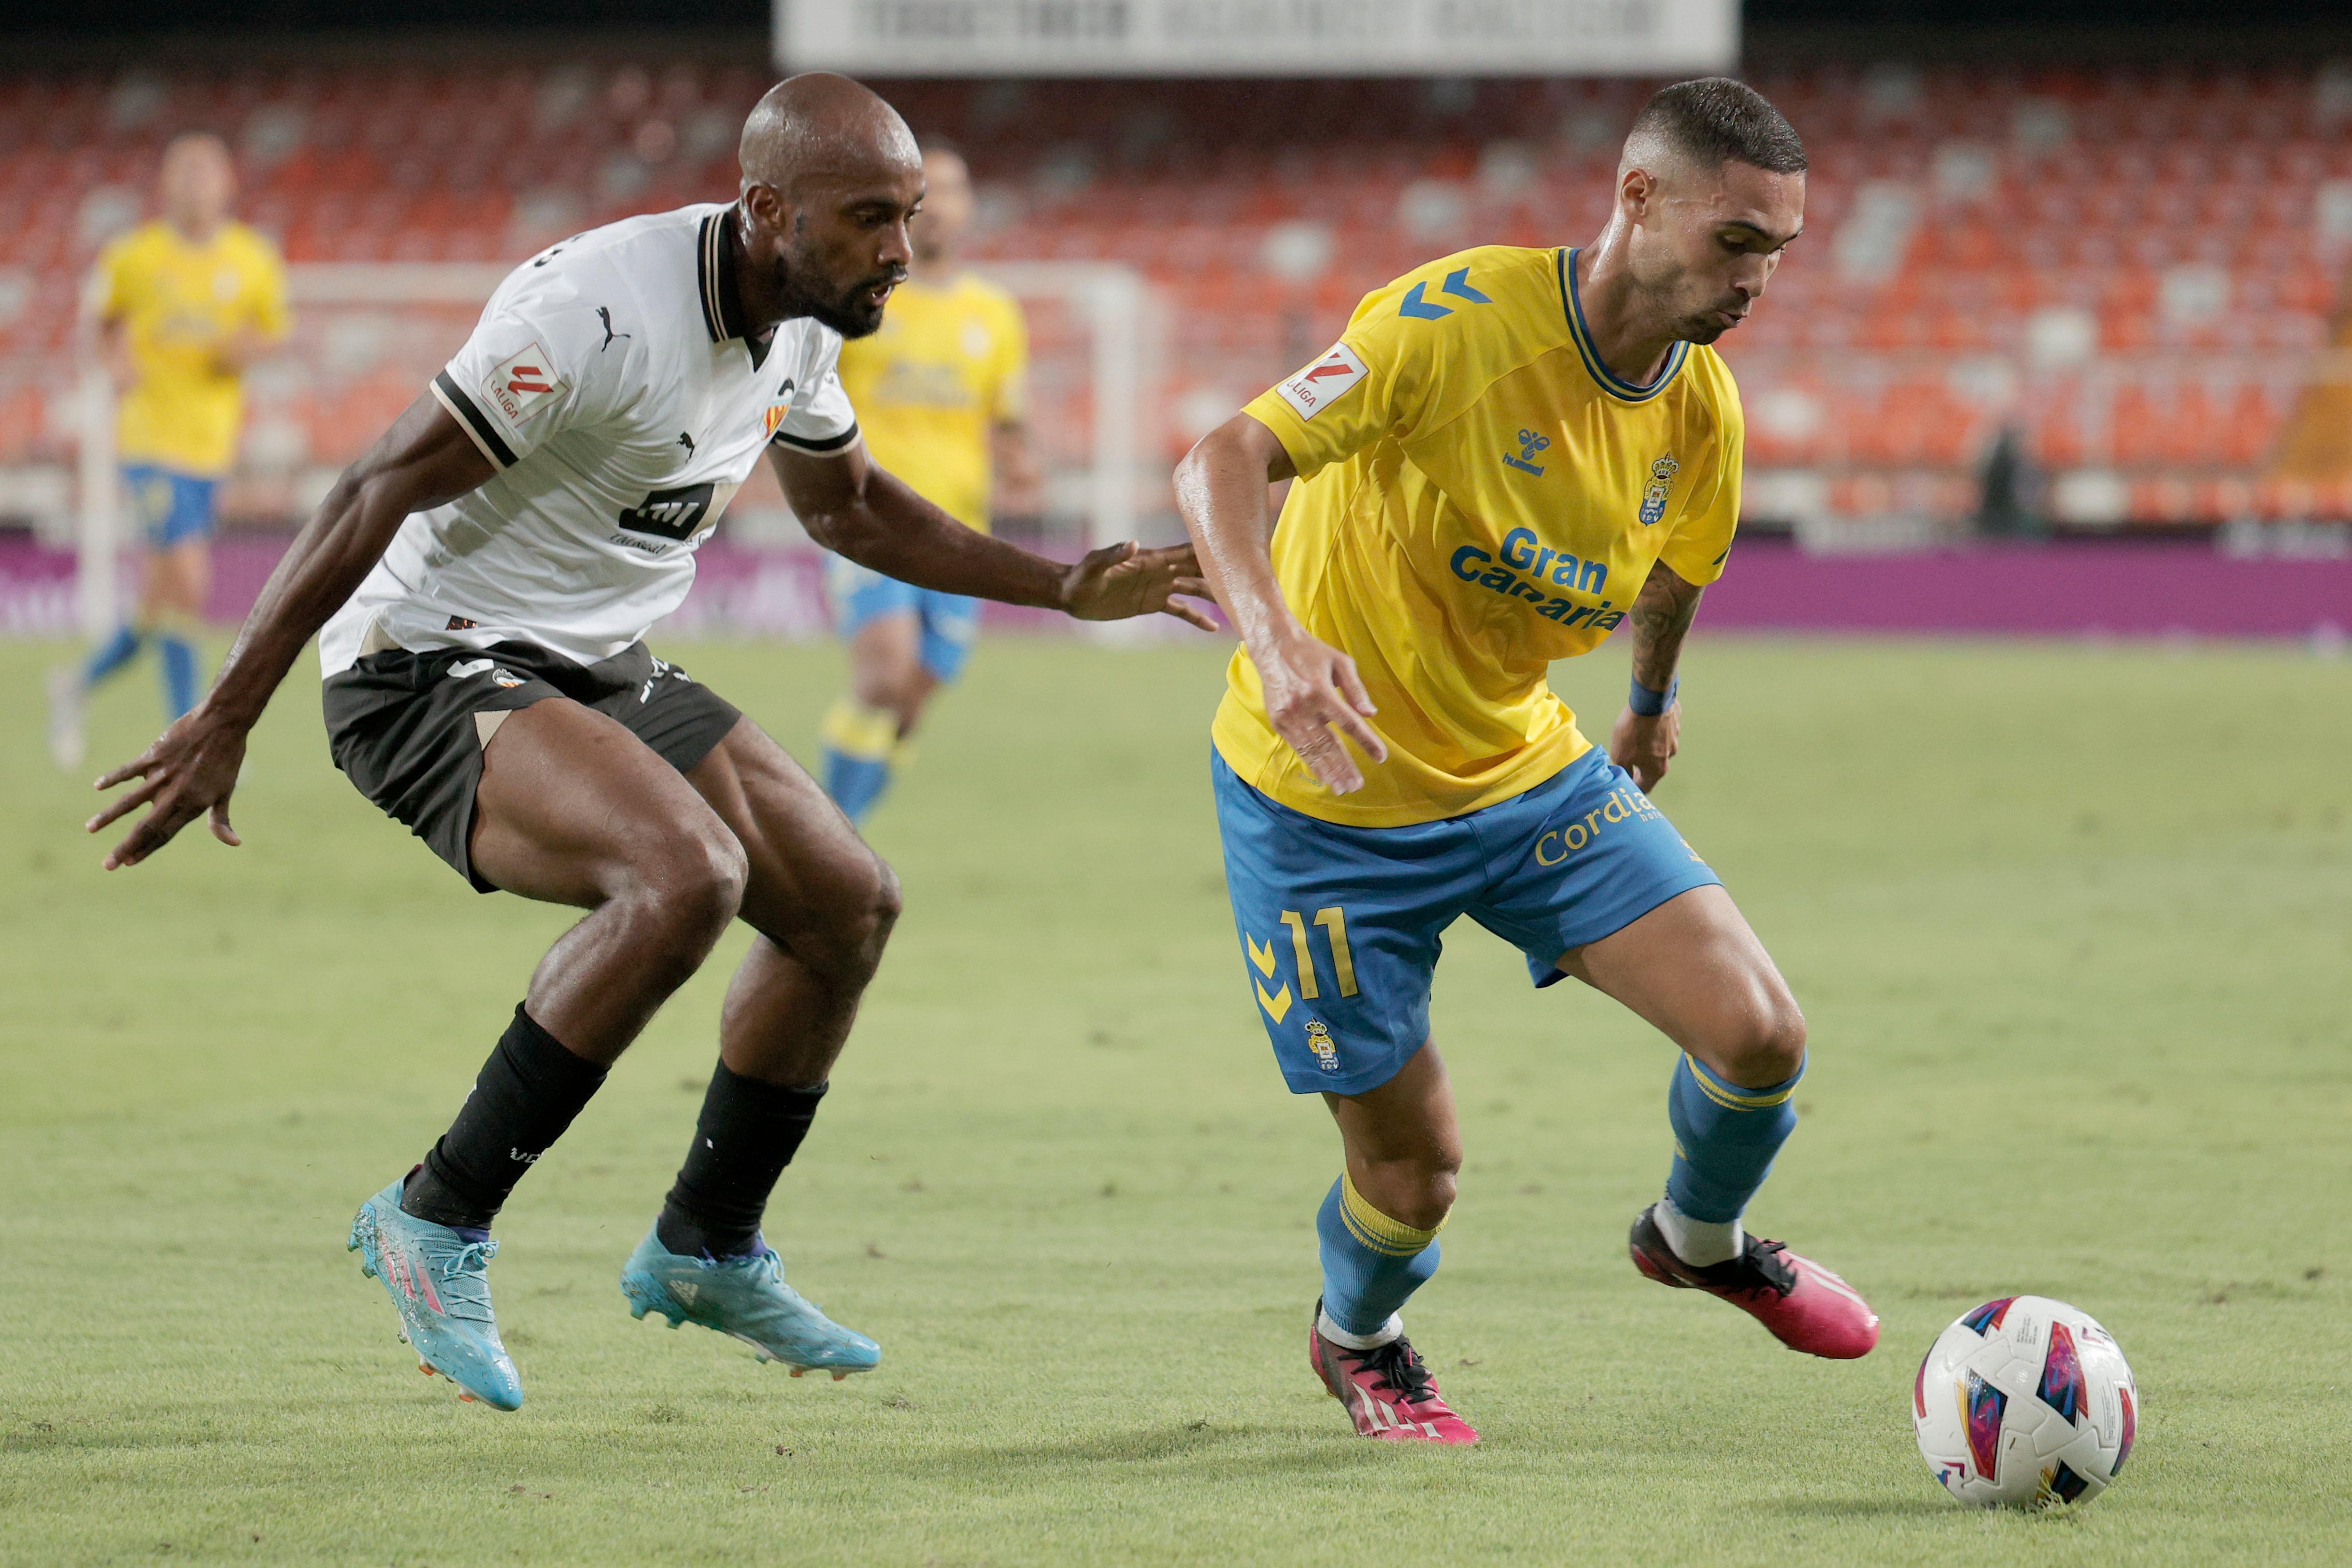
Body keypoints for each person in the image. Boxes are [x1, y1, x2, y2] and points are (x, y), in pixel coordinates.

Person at [85, 74, 1210, 1413]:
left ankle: (705, 1243)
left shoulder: (801, 316)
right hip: (426, 664)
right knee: (686, 875)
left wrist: (1060, 584)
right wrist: (228, 715)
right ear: (767, 210)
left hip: (601, 659)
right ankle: (432, 1216)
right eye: (871, 220)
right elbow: (376, 481)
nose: (902, 251)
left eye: (907, 217)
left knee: (848, 903)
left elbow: (847, 508)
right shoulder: (596, 311)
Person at [1173, 78, 1877, 1446]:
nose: (1760, 279)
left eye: (1780, 251)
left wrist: (1650, 705)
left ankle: (1697, 1234)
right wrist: (1270, 638)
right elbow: (1225, 456)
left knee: (1761, 1034)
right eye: (1737, 240)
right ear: (1636, 201)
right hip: (1323, 801)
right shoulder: (1455, 324)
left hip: (1524, 780)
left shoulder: (1701, 411)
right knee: (1411, 1175)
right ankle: (1356, 1334)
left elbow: (1675, 571)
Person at [49, 133, 291, 769]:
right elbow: (103, 326)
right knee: (190, 577)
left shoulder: (253, 257)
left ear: (229, 182)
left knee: (162, 603)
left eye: (206, 171)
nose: (195, 183)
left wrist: (246, 351)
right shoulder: (134, 255)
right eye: (183, 171)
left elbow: (271, 332)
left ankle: (74, 684)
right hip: (149, 441)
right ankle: (186, 732)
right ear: (165, 184)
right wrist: (117, 364)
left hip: (211, 446)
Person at [819, 139, 1041, 824]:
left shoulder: (995, 315)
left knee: (915, 692)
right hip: (870, 517)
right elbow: (807, 397)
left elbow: (1006, 421)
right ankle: (824, 836)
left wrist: (1020, 462)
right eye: (925, 194)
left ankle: (840, 829)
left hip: (958, 529)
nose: (938, 206)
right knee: (885, 673)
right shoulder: (860, 300)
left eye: (952, 189)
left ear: (968, 207)